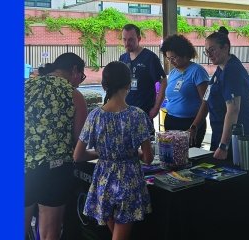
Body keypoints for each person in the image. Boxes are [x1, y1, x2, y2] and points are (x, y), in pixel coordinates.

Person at [73, 61, 154, 240]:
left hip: (103, 180)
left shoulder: (95, 115)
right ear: (128, 84)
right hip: (129, 180)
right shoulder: (137, 115)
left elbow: (78, 155)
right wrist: (135, 154)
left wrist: (102, 154)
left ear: (104, 85)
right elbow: (148, 158)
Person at [25, 52, 88, 239]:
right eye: (81, 77)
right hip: (55, 170)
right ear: (74, 70)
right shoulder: (74, 95)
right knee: (49, 233)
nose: (79, 82)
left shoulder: (23, 86)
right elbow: (79, 141)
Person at [194, 26, 249, 161]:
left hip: (236, 135)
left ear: (225, 47)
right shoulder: (220, 70)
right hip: (219, 131)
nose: (209, 55)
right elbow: (207, 98)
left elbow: (233, 110)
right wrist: (195, 126)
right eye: (207, 52)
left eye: (212, 50)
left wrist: (224, 146)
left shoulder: (232, 70)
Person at [160, 34, 209, 148]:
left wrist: (194, 126)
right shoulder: (173, 73)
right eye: (168, 58)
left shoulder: (197, 71)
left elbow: (206, 102)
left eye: (174, 57)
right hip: (171, 121)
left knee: (189, 158)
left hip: (190, 123)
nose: (171, 61)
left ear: (185, 54)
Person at [119, 23, 167, 125]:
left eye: (131, 39)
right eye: (124, 39)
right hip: (125, 112)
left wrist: (156, 108)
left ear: (139, 38)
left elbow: (163, 82)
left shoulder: (150, 58)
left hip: (144, 113)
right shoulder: (123, 58)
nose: (127, 43)